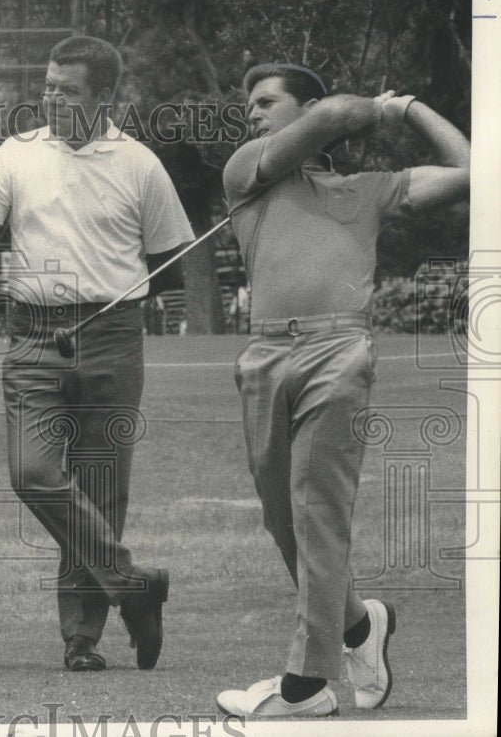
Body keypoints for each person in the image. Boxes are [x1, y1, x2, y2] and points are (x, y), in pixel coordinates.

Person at [0, 36, 194, 671]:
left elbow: (171, 265)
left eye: (67, 90)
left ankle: (82, 640)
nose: (51, 98)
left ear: (105, 97)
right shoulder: (17, 155)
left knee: (100, 487)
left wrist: (172, 326)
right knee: (33, 473)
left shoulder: (139, 164)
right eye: (47, 86)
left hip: (113, 334)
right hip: (33, 333)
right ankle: (132, 584)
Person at [216, 64, 470, 717]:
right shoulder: (248, 169)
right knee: (286, 524)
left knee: (317, 516)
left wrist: (408, 106)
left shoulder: (369, 190)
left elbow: (476, 173)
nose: (251, 111)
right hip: (265, 355)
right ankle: (360, 626)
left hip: (339, 352)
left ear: (306, 107)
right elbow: (332, 120)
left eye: (267, 102)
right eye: (249, 103)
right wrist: (367, 110)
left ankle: (308, 686)